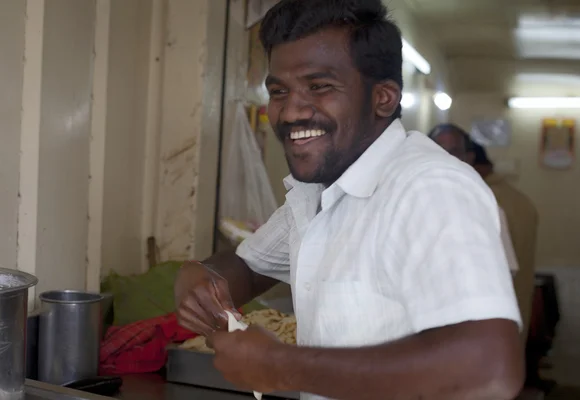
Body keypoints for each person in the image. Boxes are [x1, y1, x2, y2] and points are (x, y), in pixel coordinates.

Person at [175, 1, 524, 399]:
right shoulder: (317, 192)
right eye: (278, 91)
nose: (290, 112)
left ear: (384, 99)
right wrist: (199, 278)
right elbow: (248, 269)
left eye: (320, 87)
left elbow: (489, 368)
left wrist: (280, 367)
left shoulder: (428, 188)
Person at [429, 123, 539, 340]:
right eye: (435, 150)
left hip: (477, 335)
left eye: (452, 152)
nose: (442, 158)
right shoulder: (430, 200)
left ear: (469, 158)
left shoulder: (487, 203)